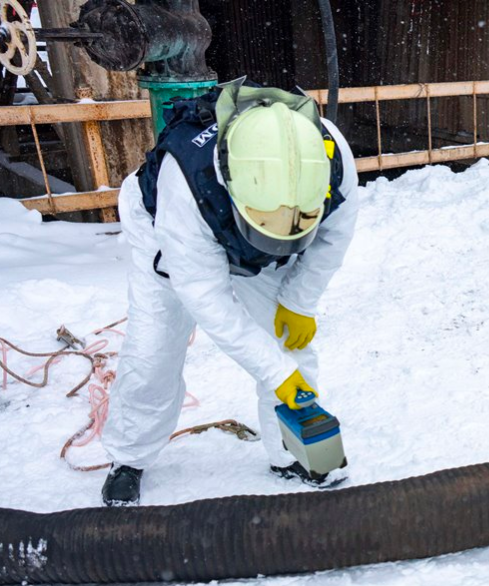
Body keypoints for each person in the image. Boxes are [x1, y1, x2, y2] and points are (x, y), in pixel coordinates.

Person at [100, 79, 358, 506]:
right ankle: (129, 456)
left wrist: (299, 301)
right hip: (168, 232)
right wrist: (277, 375)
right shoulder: (186, 184)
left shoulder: (328, 156)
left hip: (253, 231)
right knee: (153, 353)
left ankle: (290, 453)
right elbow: (208, 299)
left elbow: (336, 233)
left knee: (288, 346)